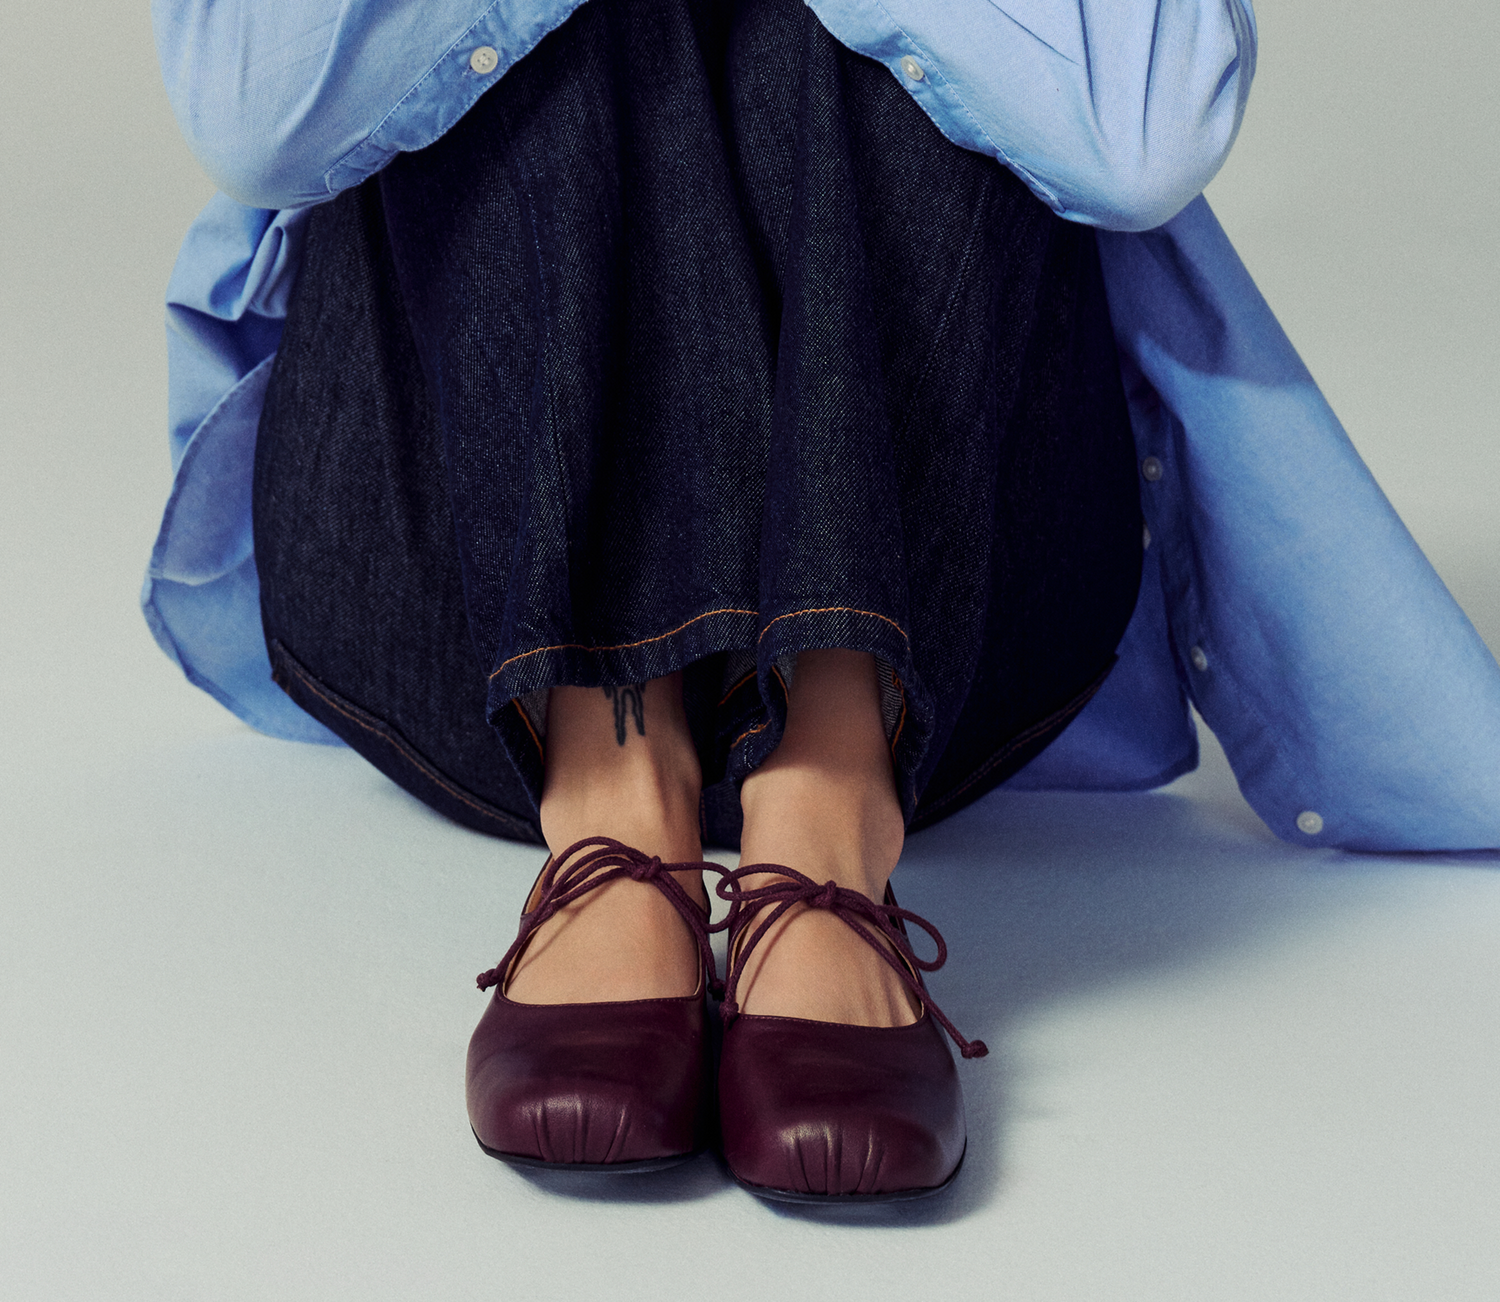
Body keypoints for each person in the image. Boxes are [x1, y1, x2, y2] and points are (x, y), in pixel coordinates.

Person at [145, 0, 1500, 1202]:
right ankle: (609, 807)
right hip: (477, 596)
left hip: (935, 610)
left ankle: (827, 806)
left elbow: (1142, 129)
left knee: (902, 48)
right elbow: (258, 110)